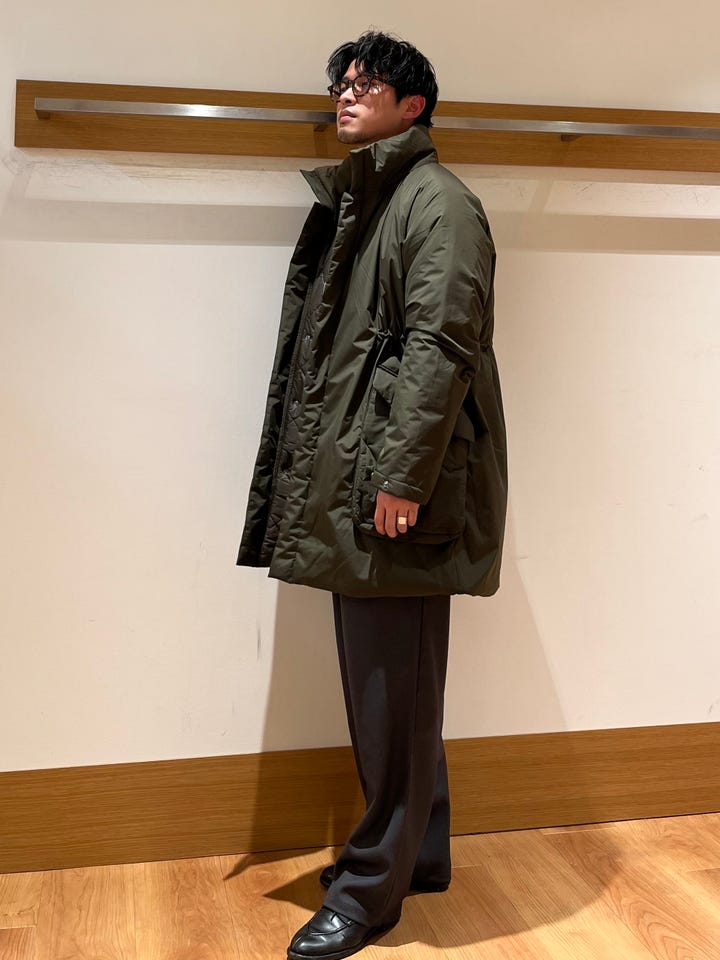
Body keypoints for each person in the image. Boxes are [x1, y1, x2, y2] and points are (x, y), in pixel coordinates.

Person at [237, 30, 507, 960]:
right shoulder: (375, 199)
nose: (345, 96)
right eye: (340, 85)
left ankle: (369, 893)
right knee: (396, 690)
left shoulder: (438, 204)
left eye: (366, 84)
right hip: (365, 482)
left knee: (392, 693)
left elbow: (441, 345)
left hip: (395, 490)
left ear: (413, 105)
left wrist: (402, 476)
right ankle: (416, 856)